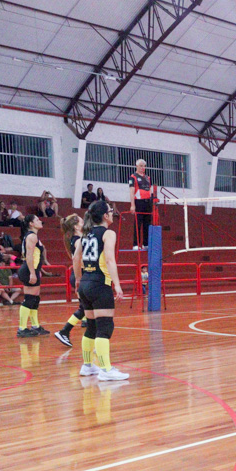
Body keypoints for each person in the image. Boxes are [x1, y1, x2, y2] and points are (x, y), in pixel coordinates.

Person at [73, 200, 129, 381]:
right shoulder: (108, 233)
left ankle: (88, 366)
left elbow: (75, 258)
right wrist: (117, 285)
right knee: (104, 327)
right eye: (111, 211)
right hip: (99, 284)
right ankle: (105, 369)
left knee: (91, 327)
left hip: (86, 283)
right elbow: (110, 260)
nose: (113, 213)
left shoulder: (85, 234)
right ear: (105, 215)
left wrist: (78, 279)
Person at [55, 214, 87, 347]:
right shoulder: (78, 240)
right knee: (86, 308)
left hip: (80, 275)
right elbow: (77, 260)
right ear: (76, 226)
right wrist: (80, 278)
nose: (84, 223)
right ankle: (64, 331)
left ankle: (65, 332)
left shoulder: (77, 239)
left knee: (86, 308)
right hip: (81, 275)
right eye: (82, 221)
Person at [16, 214, 48, 337]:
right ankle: (22, 328)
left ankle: (35, 326)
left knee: (35, 299)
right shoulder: (31, 236)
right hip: (29, 270)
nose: (40, 221)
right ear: (31, 224)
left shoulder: (33, 236)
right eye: (37, 220)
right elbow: (29, 256)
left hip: (32, 269)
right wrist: (33, 273)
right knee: (29, 299)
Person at [129, 159, 156, 249]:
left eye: (144, 166)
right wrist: (132, 205)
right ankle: (136, 244)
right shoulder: (133, 177)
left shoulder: (148, 178)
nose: (142, 168)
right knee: (138, 223)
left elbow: (150, 190)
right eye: (141, 166)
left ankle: (146, 244)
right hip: (139, 202)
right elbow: (131, 191)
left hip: (148, 202)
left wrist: (152, 201)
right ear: (136, 166)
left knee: (147, 224)